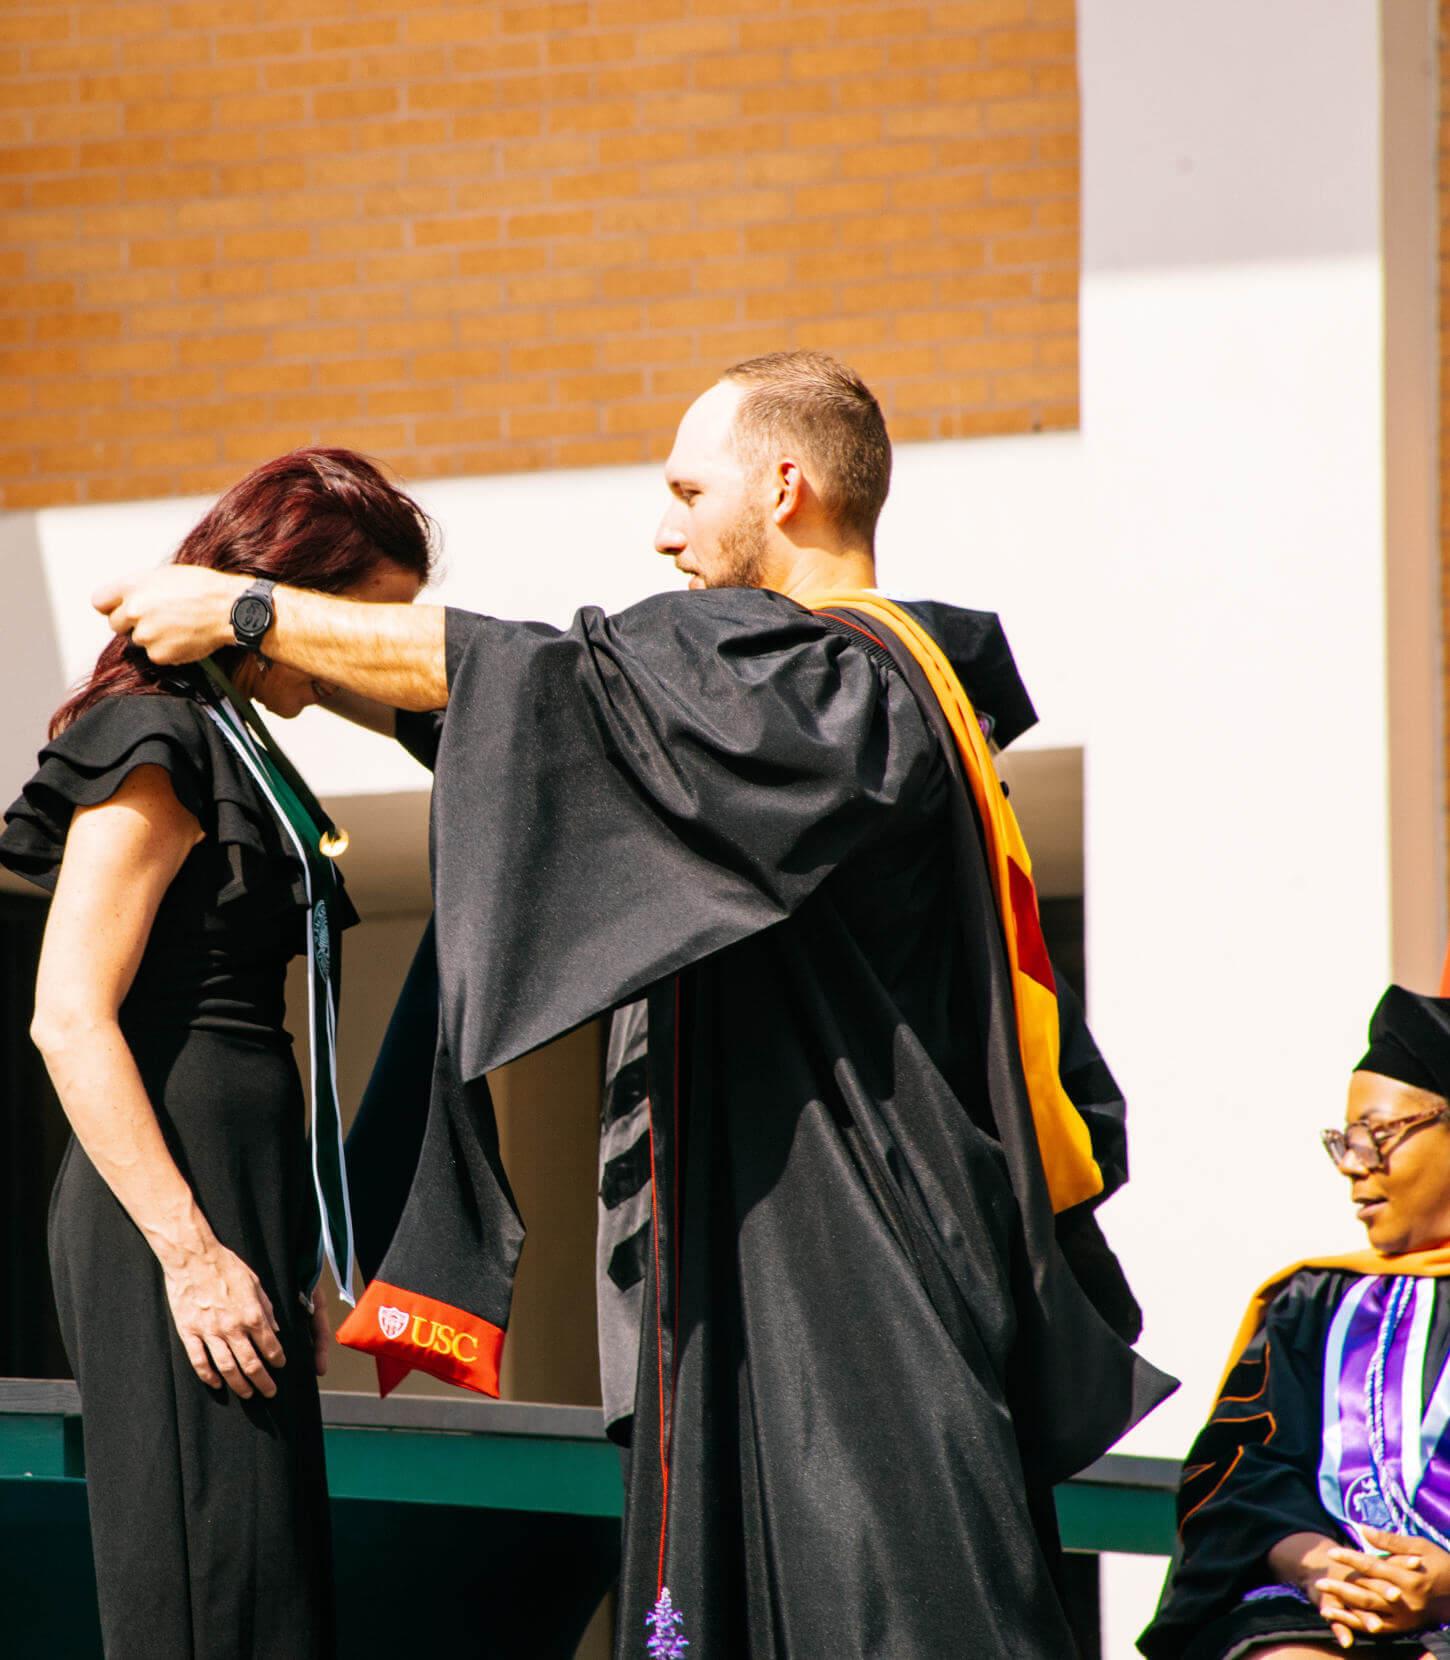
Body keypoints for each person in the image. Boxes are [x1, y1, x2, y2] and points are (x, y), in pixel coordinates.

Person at [94, 352, 1172, 1659]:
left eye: (684, 488)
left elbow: (558, 691)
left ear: (784, 485)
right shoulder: (817, 705)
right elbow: (553, 728)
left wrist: (249, 613)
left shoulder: (829, 682)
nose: (660, 529)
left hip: (862, 1298)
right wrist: (320, 650)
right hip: (774, 1284)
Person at [1, 448, 432, 1659]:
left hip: (232, 1197)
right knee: (211, 1582)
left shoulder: (233, 733)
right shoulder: (156, 733)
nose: (372, 653)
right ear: (292, 589)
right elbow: (67, 1014)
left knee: (263, 1576)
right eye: (366, 621)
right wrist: (192, 1255)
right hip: (168, 1208)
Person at [1141, 986, 1450, 1660]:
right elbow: (1241, 1477)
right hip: (1324, 1611)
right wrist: (1317, 1564)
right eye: (1344, 1140)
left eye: (1379, 1134)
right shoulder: (1315, 1300)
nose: (1353, 1166)